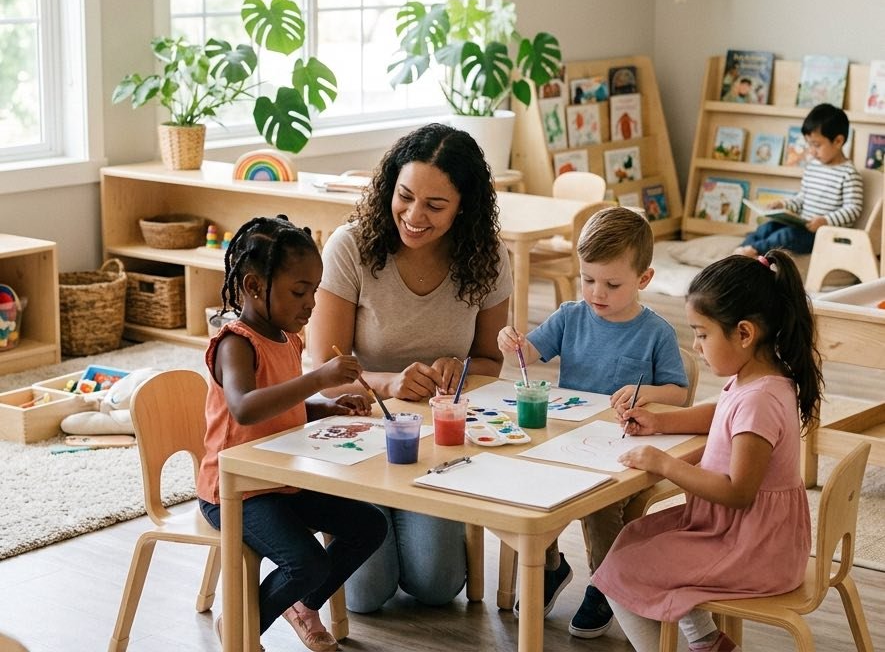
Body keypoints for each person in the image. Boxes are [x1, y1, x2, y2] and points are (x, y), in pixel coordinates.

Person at [308, 123, 513, 613]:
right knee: (363, 595)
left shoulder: (488, 258)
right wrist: (389, 382)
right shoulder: (351, 247)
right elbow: (324, 365)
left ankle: (406, 514)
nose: (414, 216)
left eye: (435, 206)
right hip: (358, 429)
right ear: (389, 190)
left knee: (438, 586)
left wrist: (459, 367)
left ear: (465, 206)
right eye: (405, 197)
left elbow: (491, 361)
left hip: (436, 440)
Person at [592, 249, 824, 652]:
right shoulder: (760, 379)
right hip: (740, 532)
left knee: (618, 570)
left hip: (752, 546)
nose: (696, 347)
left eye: (702, 334)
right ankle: (706, 641)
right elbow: (721, 415)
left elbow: (738, 491)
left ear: (745, 333)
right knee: (633, 537)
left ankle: (698, 643)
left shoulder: (760, 398)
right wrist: (661, 422)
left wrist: (663, 463)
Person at [197, 215, 388, 652]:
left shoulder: (288, 337)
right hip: (236, 490)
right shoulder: (235, 344)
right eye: (299, 292)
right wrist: (319, 379)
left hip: (282, 480)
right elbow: (245, 408)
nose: (311, 305)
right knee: (307, 561)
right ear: (253, 286)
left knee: (368, 525)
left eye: (314, 292)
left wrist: (325, 407)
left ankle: (301, 604)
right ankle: (244, 628)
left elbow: (282, 404)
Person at [497, 206, 688, 635]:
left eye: (611, 284)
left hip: (621, 447)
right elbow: (529, 354)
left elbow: (678, 393)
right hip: (565, 441)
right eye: (587, 279)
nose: (596, 292)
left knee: (600, 508)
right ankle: (550, 565)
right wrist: (511, 340)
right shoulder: (570, 316)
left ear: (644, 280)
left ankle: (606, 582)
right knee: (529, 486)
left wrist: (649, 393)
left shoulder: (655, 332)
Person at [735, 103, 863, 257]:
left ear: (838, 141)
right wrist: (784, 204)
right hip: (803, 225)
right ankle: (740, 252)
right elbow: (802, 198)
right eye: (809, 144)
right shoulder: (813, 167)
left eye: (816, 145)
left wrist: (825, 220)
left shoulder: (849, 173)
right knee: (768, 227)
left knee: (786, 236)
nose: (811, 151)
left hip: (824, 234)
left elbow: (853, 209)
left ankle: (754, 250)